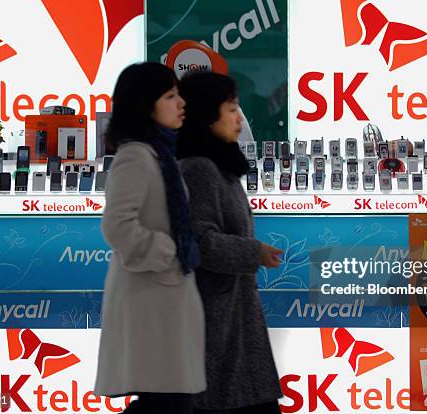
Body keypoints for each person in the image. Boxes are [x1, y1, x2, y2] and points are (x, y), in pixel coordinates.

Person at [94, 62, 205, 414]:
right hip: (151, 299)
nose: (181, 103)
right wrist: (169, 253)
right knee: (169, 402)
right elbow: (117, 226)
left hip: (163, 299)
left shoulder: (160, 154)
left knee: (169, 400)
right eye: (170, 96)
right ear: (146, 104)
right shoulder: (135, 157)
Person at [177, 72, 284, 414]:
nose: (240, 119)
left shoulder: (221, 166)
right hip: (218, 325)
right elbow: (200, 241)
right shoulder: (200, 168)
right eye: (232, 109)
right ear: (208, 113)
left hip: (233, 318)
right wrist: (254, 252)